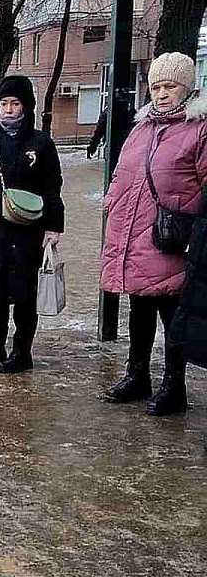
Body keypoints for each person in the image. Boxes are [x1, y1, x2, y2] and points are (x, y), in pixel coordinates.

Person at [100, 52, 207, 415]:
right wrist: (112, 204)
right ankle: (137, 375)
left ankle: (174, 386)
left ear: (187, 88)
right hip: (136, 235)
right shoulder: (141, 128)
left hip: (173, 238)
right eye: (156, 86)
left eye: (170, 86)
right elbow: (122, 176)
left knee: (173, 315)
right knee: (140, 308)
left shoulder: (200, 129)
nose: (161, 94)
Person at [0, 75, 65, 374]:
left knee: (23, 293)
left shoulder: (41, 143)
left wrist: (54, 227)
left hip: (27, 230)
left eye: (15, 103)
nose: (8, 109)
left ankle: (22, 352)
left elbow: (52, 186)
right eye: (4, 103)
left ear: (26, 106)